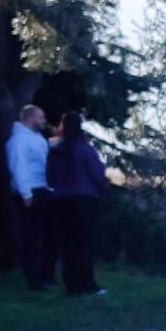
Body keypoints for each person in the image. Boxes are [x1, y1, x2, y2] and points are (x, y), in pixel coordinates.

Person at [46, 112, 109, 297]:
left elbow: (49, 177)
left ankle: (71, 285)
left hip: (60, 200)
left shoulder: (55, 151)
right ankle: (87, 284)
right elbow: (97, 173)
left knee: (68, 244)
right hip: (84, 199)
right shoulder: (84, 149)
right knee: (85, 243)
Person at [6, 104, 52, 290]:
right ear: (31, 118)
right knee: (31, 237)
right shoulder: (18, 141)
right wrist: (26, 193)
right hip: (31, 192)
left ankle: (42, 275)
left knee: (42, 235)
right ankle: (33, 279)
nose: (44, 121)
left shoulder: (37, 138)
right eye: (41, 117)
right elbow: (18, 167)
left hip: (43, 189)